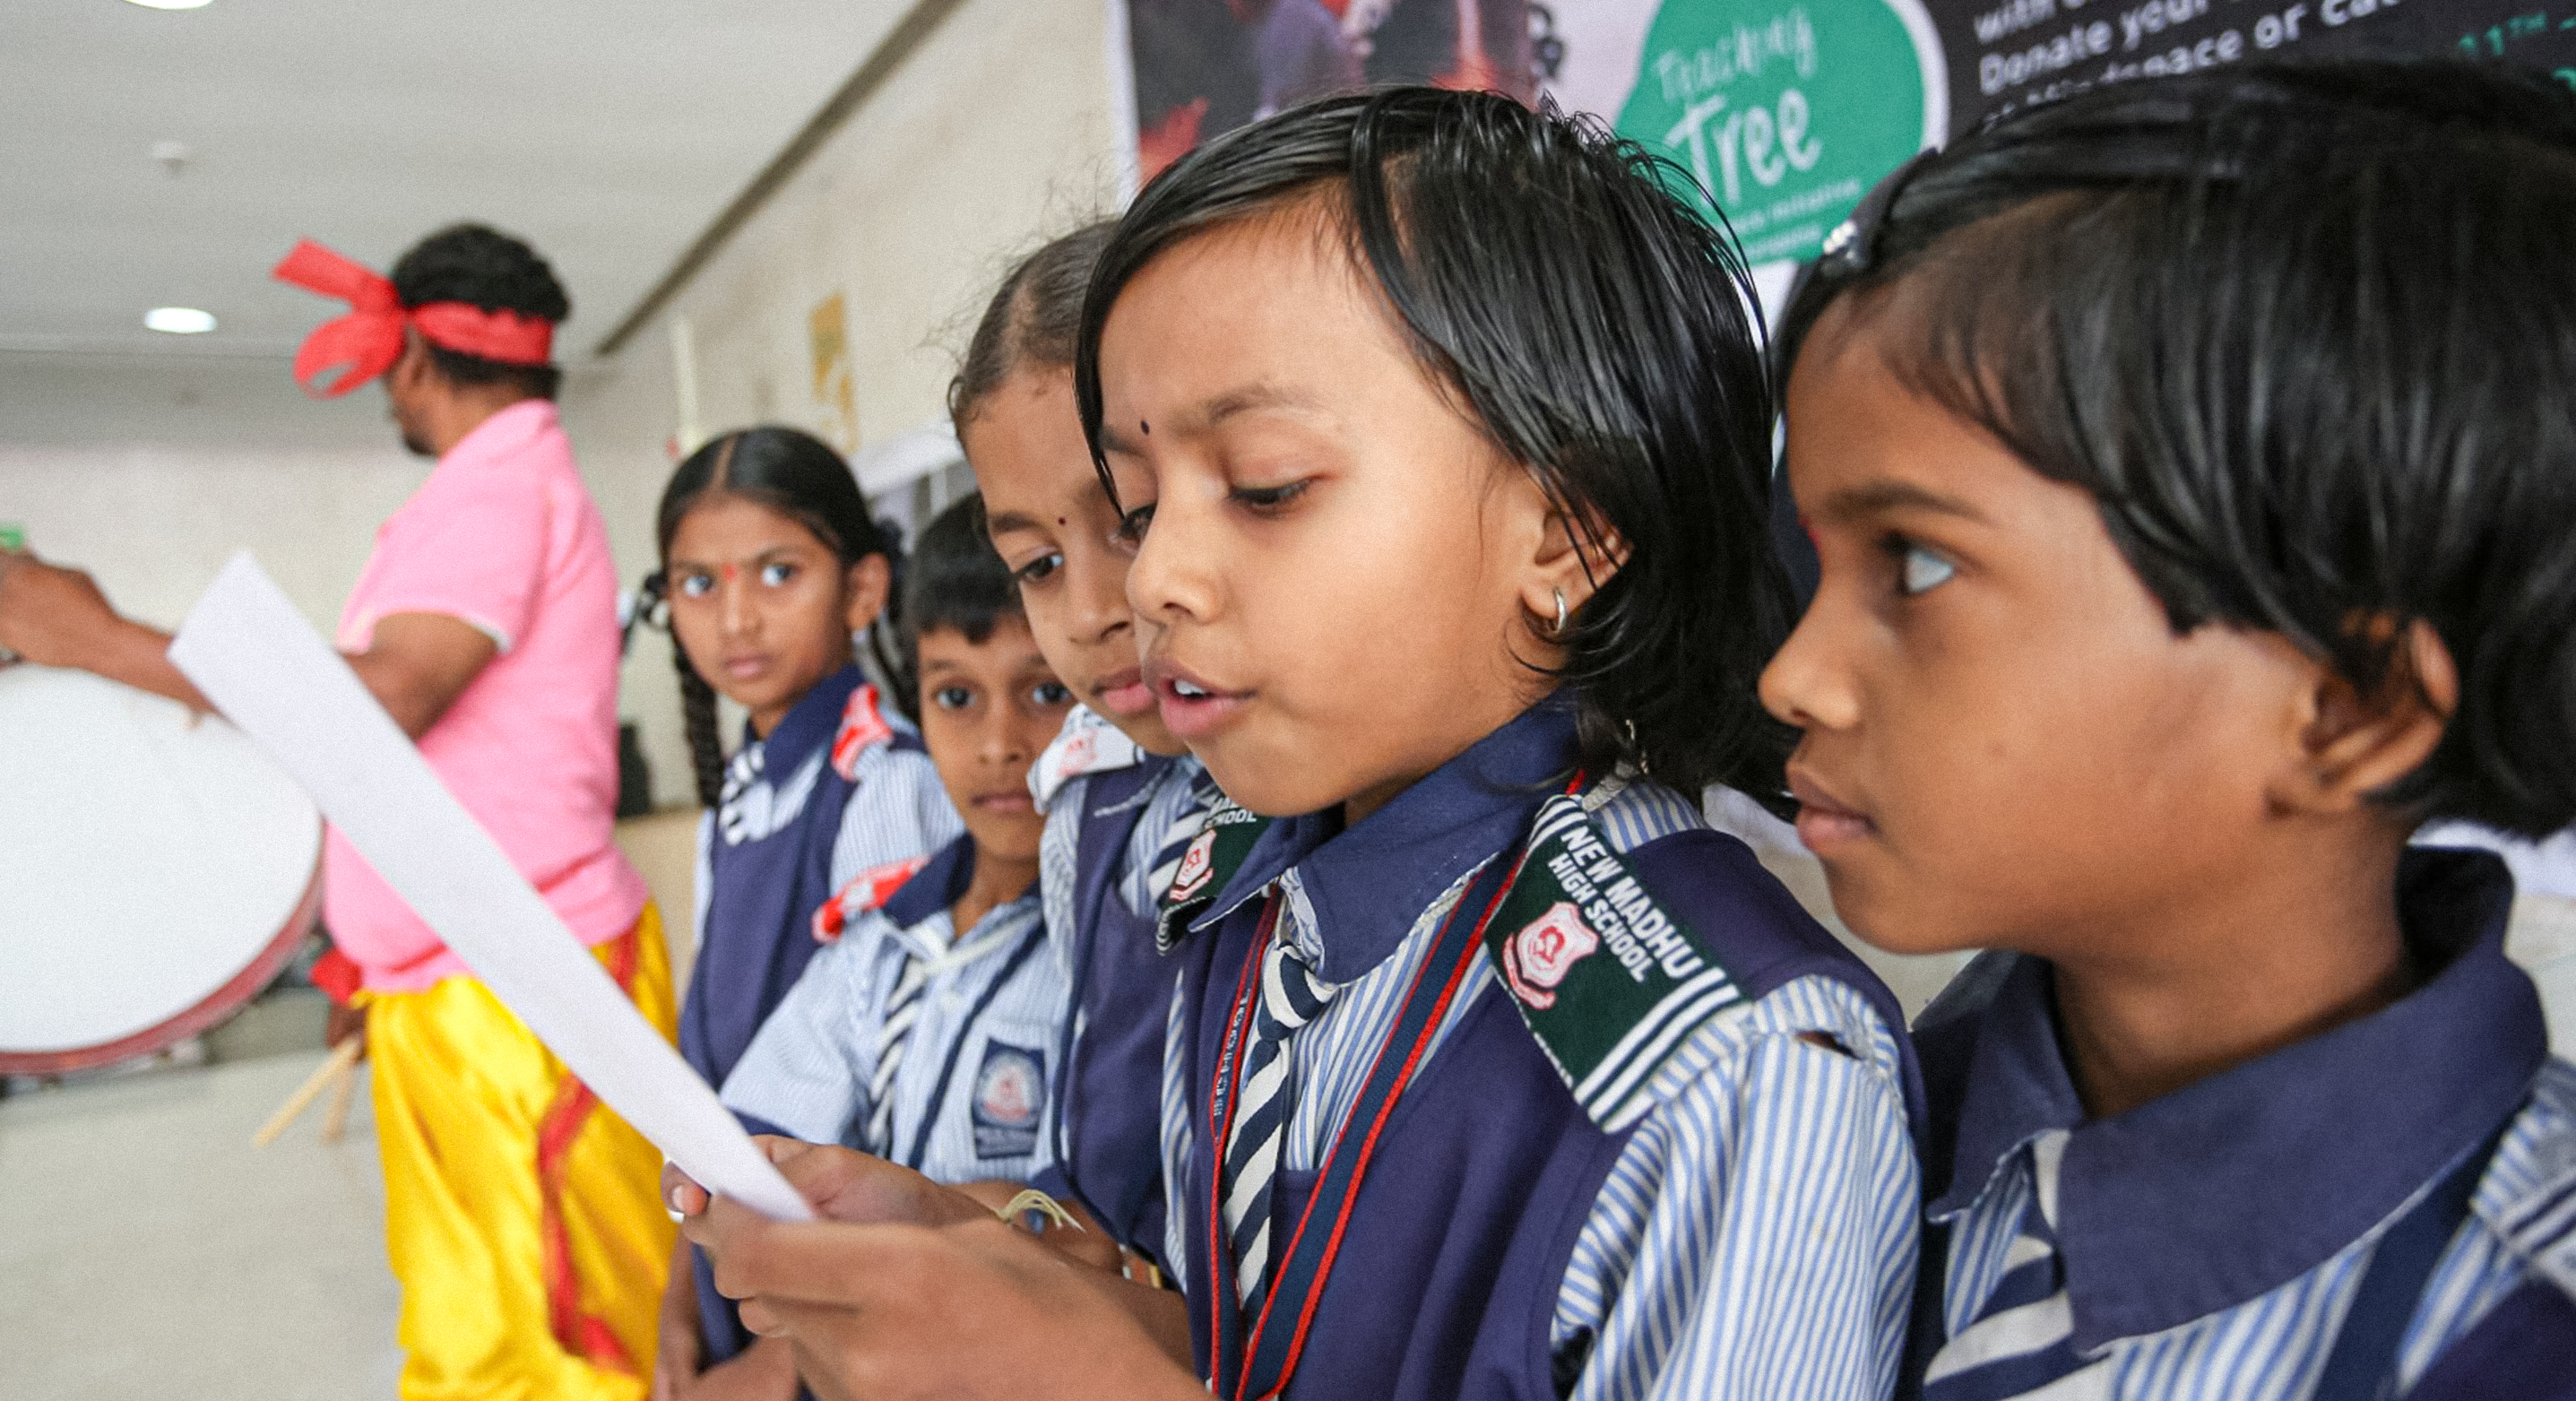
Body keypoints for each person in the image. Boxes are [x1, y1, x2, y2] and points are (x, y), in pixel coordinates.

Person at [680, 87, 1923, 1401]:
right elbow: (1236, 1327)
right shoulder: (1230, 884)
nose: (1151, 579)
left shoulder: (1738, 1067)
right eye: (1143, 503)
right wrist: (1033, 1265)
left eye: (1264, 486)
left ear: (1565, 531)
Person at [1760, 60, 2576, 1399]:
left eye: (1914, 566)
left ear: (2345, 708)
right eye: (1815, 562)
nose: (1792, 675)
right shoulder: (1823, 1109)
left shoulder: (2518, 1334)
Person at [0, 224, 675, 1400]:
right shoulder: (498, 482)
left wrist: (102, 640)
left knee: (550, 1345)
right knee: (476, 1327)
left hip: (516, 982)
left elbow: (392, 698)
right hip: (459, 977)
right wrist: (379, 960)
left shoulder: (498, 487)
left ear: (412, 355)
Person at [641, 427, 961, 1400]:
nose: (734, 618)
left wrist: (786, 1361)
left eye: (778, 574)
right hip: (738, 1263)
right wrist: (678, 1293)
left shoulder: (886, 786)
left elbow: (904, 1117)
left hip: (843, 1312)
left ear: (863, 590)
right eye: (698, 584)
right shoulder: (742, 792)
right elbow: (715, 1060)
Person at [957, 221, 1227, 1271]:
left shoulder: (1330, 790)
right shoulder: (1085, 797)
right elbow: (1103, 1134)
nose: (1090, 611)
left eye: (1130, 518)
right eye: (1034, 563)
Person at [716, 494, 1076, 1206]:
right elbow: (754, 1146)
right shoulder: (880, 941)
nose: (1000, 742)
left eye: (1045, 691)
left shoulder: (1108, 953)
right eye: (956, 697)